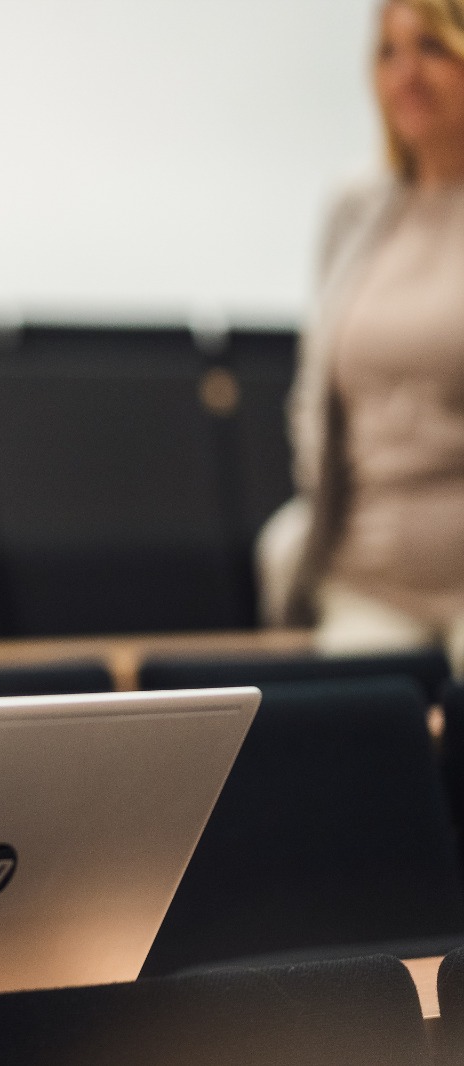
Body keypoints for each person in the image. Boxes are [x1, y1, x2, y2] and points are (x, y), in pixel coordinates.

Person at [257, 0, 464, 669]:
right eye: (388, 53)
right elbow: (317, 392)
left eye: (431, 48)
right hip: (368, 577)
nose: (407, 75)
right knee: (355, 717)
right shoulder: (356, 206)